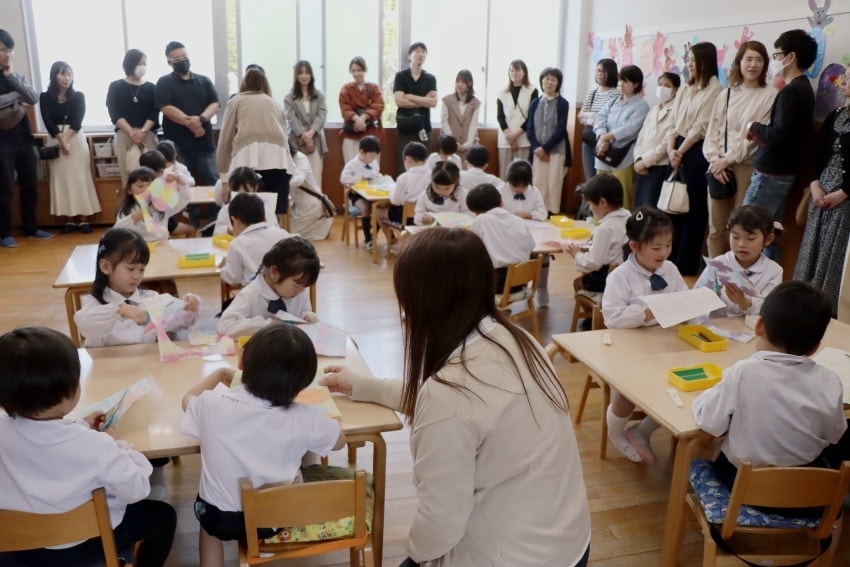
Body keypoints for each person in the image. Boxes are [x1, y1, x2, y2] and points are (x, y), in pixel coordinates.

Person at [319, 228, 591, 567]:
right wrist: (363, 386)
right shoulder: (518, 339)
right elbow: (453, 407)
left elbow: (440, 525)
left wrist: (411, 551)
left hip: (514, 556)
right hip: (571, 543)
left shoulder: (450, 392)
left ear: (421, 304)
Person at [0, 326, 176, 567]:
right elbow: (136, 490)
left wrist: (79, 425)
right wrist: (117, 444)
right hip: (81, 545)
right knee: (164, 517)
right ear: (70, 392)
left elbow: (41, 438)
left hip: (16, 546)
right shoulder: (96, 445)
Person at [180, 324, 345, 567]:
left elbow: (187, 400)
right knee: (296, 471)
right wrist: (328, 418)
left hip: (218, 516)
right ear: (302, 384)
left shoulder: (211, 404)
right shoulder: (305, 416)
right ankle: (262, 544)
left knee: (209, 530)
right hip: (273, 518)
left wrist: (218, 374)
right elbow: (339, 442)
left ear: (242, 361)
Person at [693, 281, 847, 490]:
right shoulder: (830, 380)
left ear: (759, 326)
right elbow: (835, 433)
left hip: (744, 486)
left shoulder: (743, 372)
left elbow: (709, 421)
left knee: (701, 452)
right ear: (815, 347)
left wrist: (706, 395)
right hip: (805, 491)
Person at [601, 206, 688, 464]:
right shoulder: (620, 277)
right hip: (626, 347)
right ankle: (617, 434)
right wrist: (646, 313)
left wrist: (690, 307)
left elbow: (683, 298)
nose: (664, 253)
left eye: (668, 245)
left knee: (679, 388)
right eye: (656, 247)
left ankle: (642, 431)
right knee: (625, 395)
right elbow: (612, 317)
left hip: (664, 344)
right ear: (635, 246)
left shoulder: (670, 269)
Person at [743, 30, 818, 261]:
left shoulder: (791, 91)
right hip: (783, 172)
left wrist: (754, 127)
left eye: (776, 55)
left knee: (747, 226)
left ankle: (745, 277)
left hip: (770, 174)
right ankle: (769, 277)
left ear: (791, 57)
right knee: (771, 231)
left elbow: (779, 135)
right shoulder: (804, 88)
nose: (774, 61)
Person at [703, 41, 776, 257]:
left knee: (742, 227)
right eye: (748, 59)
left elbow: (753, 137)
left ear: (765, 64)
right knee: (716, 228)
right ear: (739, 63)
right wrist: (715, 161)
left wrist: (727, 160)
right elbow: (712, 132)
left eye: (759, 60)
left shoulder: (770, 94)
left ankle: (738, 274)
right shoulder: (726, 94)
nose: (753, 65)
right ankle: (716, 273)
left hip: (745, 166)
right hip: (718, 166)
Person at [74, 227, 199, 348]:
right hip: (106, 362)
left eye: (142, 270)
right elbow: (84, 322)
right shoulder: (94, 301)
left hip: (145, 361)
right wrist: (119, 310)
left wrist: (189, 308)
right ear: (106, 267)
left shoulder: (150, 298)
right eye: (130, 269)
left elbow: (180, 322)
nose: (137, 276)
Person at [793, 66, 850, 316]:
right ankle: (803, 303)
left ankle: (828, 310)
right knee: (812, 247)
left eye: (848, 78)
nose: (843, 82)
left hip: (845, 199)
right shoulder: (835, 114)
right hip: (821, 192)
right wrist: (815, 184)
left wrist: (844, 192)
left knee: (834, 251)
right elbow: (817, 156)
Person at [667, 42, 723, 275]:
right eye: (688, 59)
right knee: (673, 206)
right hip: (677, 147)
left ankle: (686, 263)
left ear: (705, 62)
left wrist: (680, 152)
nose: (689, 64)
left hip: (697, 151)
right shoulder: (685, 88)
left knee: (693, 209)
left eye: (693, 60)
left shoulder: (715, 90)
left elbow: (700, 128)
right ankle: (668, 258)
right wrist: (671, 149)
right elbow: (673, 121)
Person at [155, 40, 220, 228]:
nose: (182, 60)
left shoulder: (204, 81)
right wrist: (190, 123)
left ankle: (216, 220)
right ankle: (190, 222)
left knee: (213, 181)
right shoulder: (164, 82)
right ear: (169, 62)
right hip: (178, 147)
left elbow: (215, 104)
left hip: (205, 144)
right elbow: (166, 108)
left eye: (184, 56)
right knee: (181, 185)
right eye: (177, 59)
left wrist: (201, 119)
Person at [216, 68, 296, 218]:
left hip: (247, 156)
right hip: (279, 160)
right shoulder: (274, 102)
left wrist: (224, 180)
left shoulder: (236, 101)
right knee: (272, 213)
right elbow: (285, 138)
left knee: (242, 211)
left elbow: (224, 141)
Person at [0, 29, 51, 247]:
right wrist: (16, 95)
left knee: (30, 184)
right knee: (4, 188)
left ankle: (31, 227)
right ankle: (5, 233)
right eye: (3, 50)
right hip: (2, 142)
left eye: (10, 50)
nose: (7, 54)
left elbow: (32, 97)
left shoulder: (16, 76)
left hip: (24, 138)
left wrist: (12, 78)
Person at [39, 61, 101, 234]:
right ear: (54, 76)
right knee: (62, 179)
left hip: (75, 139)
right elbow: (47, 121)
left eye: (70, 74)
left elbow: (77, 122)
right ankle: (68, 219)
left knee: (80, 177)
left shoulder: (78, 96)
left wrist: (65, 140)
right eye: (63, 74)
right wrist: (61, 140)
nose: (67, 78)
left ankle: (84, 218)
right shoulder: (45, 97)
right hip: (55, 138)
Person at [218, 236, 320, 336]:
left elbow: (304, 310)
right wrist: (267, 325)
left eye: (304, 287)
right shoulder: (251, 294)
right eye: (296, 286)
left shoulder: (299, 289)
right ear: (274, 272)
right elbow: (225, 326)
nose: (300, 291)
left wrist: (307, 315)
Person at [695, 205, 782, 317]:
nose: (741, 244)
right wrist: (711, 298)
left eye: (750, 239)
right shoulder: (718, 264)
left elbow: (769, 310)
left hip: (749, 327)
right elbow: (695, 300)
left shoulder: (774, 271)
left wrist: (743, 302)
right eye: (735, 237)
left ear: (768, 239)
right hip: (717, 325)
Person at [593, 65, 650, 209]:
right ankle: (598, 222)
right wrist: (602, 138)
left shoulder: (641, 106)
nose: (621, 84)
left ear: (636, 84)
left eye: (625, 81)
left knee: (621, 197)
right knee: (598, 194)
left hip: (623, 158)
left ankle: (621, 224)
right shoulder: (613, 101)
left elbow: (630, 129)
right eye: (620, 80)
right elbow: (600, 119)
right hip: (603, 153)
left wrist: (606, 138)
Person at [565, 174, 630, 294]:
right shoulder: (628, 217)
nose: (590, 208)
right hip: (628, 276)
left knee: (578, 283)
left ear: (602, 202)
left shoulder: (605, 229)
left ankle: (598, 304)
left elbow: (593, 263)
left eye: (590, 203)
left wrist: (576, 254)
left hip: (610, 279)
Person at [467, 183, 535, 293]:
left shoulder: (481, 220)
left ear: (475, 211)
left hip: (496, 283)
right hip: (521, 281)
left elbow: (472, 250)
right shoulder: (518, 220)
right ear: (501, 202)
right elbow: (531, 247)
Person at [106, 48, 159, 187]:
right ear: (129, 64)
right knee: (128, 175)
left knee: (152, 175)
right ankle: (130, 200)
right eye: (139, 63)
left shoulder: (151, 87)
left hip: (147, 134)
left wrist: (143, 131)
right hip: (125, 135)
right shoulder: (116, 86)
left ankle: (153, 200)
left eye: (144, 63)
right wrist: (131, 132)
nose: (143, 67)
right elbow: (115, 113)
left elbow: (154, 112)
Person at [220, 192, 290, 288]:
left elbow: (233, 279)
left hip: (255, 295)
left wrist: (225, 267)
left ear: (235, 221)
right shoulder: (283, 234)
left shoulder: (238, 244)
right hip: (285, 293)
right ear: (264, 218)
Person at [527, 66, 571, 216]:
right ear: (541, 81)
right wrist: (537, 148)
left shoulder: (563, 103)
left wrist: (545, 148)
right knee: (539, 183)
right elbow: (530, 128)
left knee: (554, 184)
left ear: (558, 83)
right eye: (546, 79)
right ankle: (540, 213)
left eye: (553, 80)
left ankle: (553, 215)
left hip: (557, 150)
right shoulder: (535, 103)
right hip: (537, 152)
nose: (549, 82)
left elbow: (561, 130)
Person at [633, 72, 680, 208]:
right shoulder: (653, 109)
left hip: (660, 166)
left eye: (667, 85)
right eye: (660, 84)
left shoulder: (677, 110)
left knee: (652, 207)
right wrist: (638, 159)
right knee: (639, 207)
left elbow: (667, 143)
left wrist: (646, 162)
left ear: (676, 89)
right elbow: (641, 137)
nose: (662, 88)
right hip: (642, 166)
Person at [115, 165, 192, 240]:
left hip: (161, 243)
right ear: (129, 190)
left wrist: (180, 181)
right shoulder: (126, 210)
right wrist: (133, 218)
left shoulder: (162, 205)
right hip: (139, 245)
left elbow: (183, 199)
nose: (146, 190)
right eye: (140, 186)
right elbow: (117, 230)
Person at [393, 42, 437, 176]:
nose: (421, 54)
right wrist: (424, 101)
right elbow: (400, 101)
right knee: (403, 165)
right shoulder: (401, 76)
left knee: (424, 166)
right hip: (405, 127)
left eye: (423, 52)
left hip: (424, 128)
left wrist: (410, 96)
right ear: (409, 56)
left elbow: (433, 102)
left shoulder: (430, 78)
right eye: (417, 51)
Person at [284, 61, 328, 189]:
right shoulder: (289, 97)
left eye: (307, 73)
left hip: (316, 141)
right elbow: (291, 118)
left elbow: (322, 115)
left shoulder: (319, 95)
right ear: (296, 75)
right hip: (296, 142)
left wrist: (311, 133)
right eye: (301, 73)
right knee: (298, 180)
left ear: (311, 75)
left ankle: (316, 202)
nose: (304, 76)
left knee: (315, 178)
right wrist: (304, 135)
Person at [578, 59, 620, 181]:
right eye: (598, 71)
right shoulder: (592, 93)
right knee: (590, 179)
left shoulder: (616, 94)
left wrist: (591, 115)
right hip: (588, 140)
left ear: (611, 73)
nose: (600, 74)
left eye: (604, 72)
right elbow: (580, 116)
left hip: (605, 142)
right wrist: (593, 121)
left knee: (602, 179)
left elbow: (609, 119)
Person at [496, 59, 539, 178]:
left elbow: (531, 116)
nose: (514, 73)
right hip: (506, 139)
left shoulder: (532, 90)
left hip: (523, 137)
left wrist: (516, 135)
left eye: (517, 70)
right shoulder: (501, 92)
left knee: (521, 174)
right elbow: (500, 117)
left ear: (524, 72)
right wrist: (510, 137)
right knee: (504, 174)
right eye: (511, 70)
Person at [338, 56, 385, 164]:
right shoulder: (346, 88)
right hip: (352, 132)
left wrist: (363, 118)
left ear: (365, 70)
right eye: (353, 71)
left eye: (359, 70)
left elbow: (378, 106)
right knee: (351, 166)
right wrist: (357, 119)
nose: (356, 73)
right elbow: (345, 107)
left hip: (371, 132)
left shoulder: (374, 88)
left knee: (371, 167)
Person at [340, 135, 382, 249]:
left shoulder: (374, 162)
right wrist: (359, 178)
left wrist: (380, 177)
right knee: (365, 208)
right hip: (356, 195)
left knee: (380, 208)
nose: (373, 159)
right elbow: (343, 179)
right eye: (371, 156)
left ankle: (374, 235)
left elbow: (376, 173)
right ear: (361, 152)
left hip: (371, 193)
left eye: (375, 156)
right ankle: (368, 239)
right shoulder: (352, 164)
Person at [212, 166, 280, 237]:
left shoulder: (265, 209)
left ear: (255, 188)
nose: (242, 199)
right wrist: (228, 230)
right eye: (237, 194)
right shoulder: (226, 210)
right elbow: (216, 233)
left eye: (246, 193)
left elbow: (274, 232)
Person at [287, 143, 334, 240]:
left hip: (310, 203)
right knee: (284, 229)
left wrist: (281, 182)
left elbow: (298, 180)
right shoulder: (285, 160)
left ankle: (320, 227)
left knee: (286, 232)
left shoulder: (299, 158)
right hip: (297, 204)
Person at [413, 161, 469, 225]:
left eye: (447, 188)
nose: (441, 191)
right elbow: (417, 216)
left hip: (455, 229)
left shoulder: (462, 194)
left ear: (456, 182)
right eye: (436, 187)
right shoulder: (425, 194)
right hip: (431, 229)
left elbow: (469, 215)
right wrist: (423, 218)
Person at [441, 69, 480, 160]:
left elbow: (474, 124)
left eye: (463, 82)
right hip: (449, 144)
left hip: (469, 145)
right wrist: (453, 142)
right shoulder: (447, 100)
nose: (459, 84)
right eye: (457, 81)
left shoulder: (475, 103)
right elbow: (444, 122)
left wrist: (468, 144)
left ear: (469, 83)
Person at [388, 141, 430, 224]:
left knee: (378, 211)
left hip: (406, 217)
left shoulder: (404, 177)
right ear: (426, 160)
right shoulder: (433, 175)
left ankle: (393, 233)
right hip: (425, 216)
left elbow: (395, 201)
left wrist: (391, 191)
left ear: (408, 159)